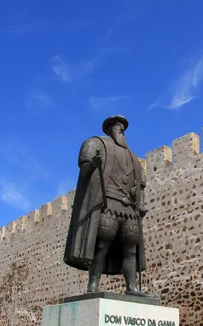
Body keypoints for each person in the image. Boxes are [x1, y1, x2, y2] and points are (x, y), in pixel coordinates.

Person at [64, 115, 151, 296]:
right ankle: (93, 286)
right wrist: (94, 163)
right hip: (108, 203)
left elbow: (138, 187)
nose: (122, 130)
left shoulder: (134, 158)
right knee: (101, 245)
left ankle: (132, 287)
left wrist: (140, 203)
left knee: (130, 249)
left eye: (124, 127)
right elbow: (86, 169)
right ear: (109, 128)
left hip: (129, 208)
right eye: (119, 126)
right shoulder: (97, 144)